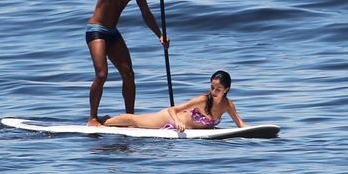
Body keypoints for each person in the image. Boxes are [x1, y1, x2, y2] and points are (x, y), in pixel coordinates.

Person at [86, 0, 169, 126]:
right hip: (96, 30)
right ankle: (92, 117)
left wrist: (160, 35)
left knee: (129, 74)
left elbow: (146, 13)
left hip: (112, 32)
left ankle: (129, 117)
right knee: (101, 74)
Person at [102, 70, 246, 131]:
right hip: (169, 119)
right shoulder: (203, 99)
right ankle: (103, 122)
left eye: (218, 89)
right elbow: (173, 109)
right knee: (134, 121)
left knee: (135, 124)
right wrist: (177, 122)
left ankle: (112, 121)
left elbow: (240, 124)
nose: (213, 92)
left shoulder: (228, 105)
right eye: (212, 87)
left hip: (183, 126)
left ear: (226, 89)